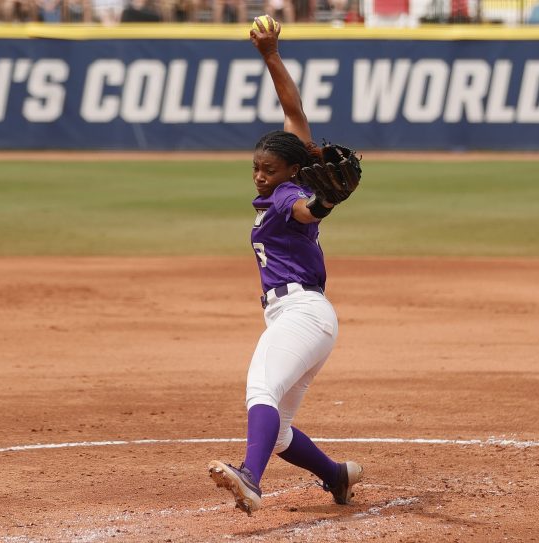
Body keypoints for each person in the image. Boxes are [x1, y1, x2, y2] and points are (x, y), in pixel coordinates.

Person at [207, 16, 362, 516]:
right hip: (306, 318)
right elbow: (293, 111)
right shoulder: (290, 170)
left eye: (267, 170)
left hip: (301, 314)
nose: (259, 176)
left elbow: (304, 209)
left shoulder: (288, 194)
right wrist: (271, 54)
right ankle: (336, 476)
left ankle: (250, 479)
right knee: (280, 428)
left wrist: (324, 206)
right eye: (255, 167)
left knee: (260, 390)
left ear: (291, 171)